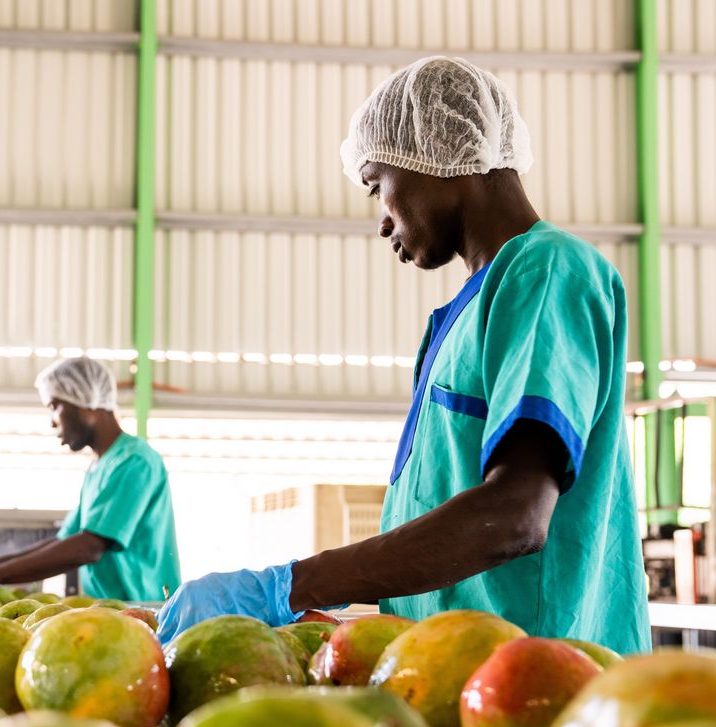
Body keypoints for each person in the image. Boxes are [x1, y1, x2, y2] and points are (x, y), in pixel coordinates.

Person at [155, 57, 650, 655]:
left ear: (438, 158)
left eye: (377, 185)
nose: (382, 220)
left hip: (545, 681)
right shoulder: (465, 315)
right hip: (453, 676)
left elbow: (515, 515)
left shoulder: (546, 272)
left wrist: (288, 586)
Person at [0, 357, 182, 602]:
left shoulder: (135, 462)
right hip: (114, 610)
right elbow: (65, 540)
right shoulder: (99, 467)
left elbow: (89, 547)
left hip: (147, 609)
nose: (52, 421)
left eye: (54, 406)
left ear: (87, 401)